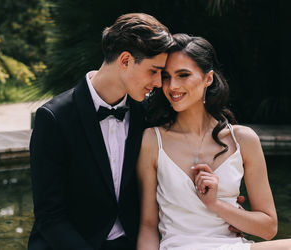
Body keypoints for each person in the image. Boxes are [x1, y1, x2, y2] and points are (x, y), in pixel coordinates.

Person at [28, 13, 174, 250]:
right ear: (125, 60)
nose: (158, 82)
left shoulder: (147, 113)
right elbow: (50, 216)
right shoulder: (54, 118)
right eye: (153, 71)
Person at [137, 33, 291, 250]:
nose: (172, 86)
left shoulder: (243, 140)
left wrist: (216, 205)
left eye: (183, 75)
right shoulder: (153, 141)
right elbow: (148, 225)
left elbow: (268, 228)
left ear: (208, 78)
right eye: (166, 77)